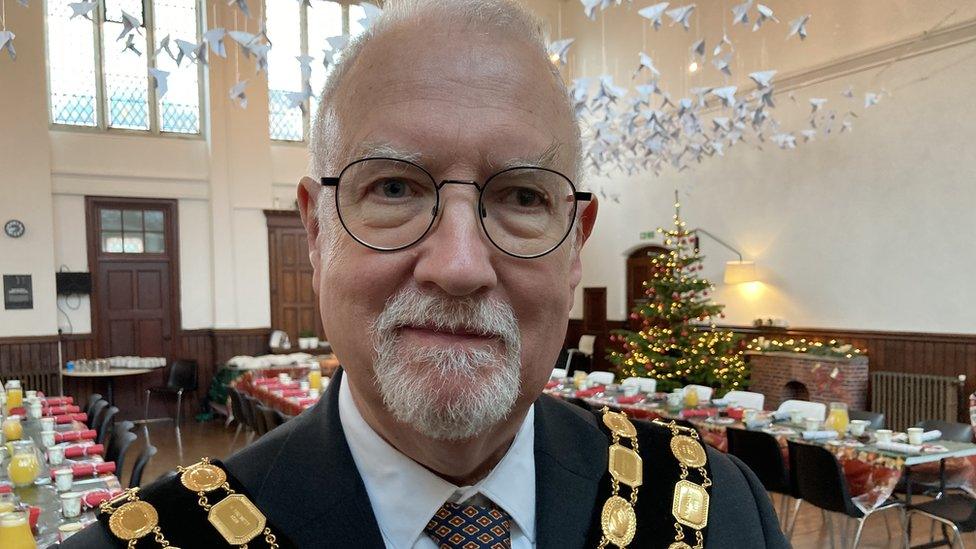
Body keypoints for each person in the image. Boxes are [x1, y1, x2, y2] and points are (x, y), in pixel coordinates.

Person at [66, 0, 788, 547]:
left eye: (521, 197)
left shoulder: (711, 509)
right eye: (394, 188)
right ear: (316, 229)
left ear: (575, 248)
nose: (460, 265)